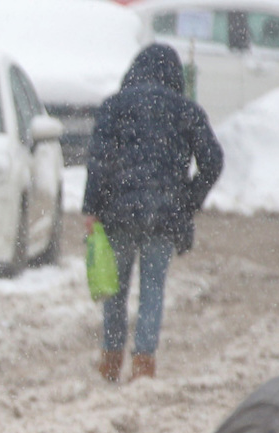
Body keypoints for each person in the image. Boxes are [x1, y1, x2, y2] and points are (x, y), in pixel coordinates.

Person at [82, 43, 222, 383]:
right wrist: (187, 200)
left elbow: (98, 162)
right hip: (163, 214)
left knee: (115, 288)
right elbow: (213, 161)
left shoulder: (114, 107)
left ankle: (111, 359)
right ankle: (144, 362)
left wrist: (92, 208)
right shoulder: (186, 110)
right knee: (153, 289)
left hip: (119, 214)